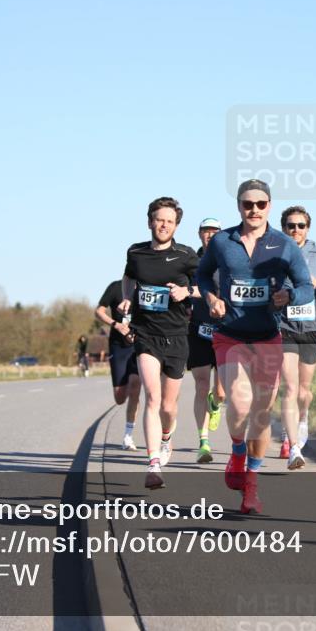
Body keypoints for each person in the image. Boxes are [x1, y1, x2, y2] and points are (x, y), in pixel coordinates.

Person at [196, 179, 313, 514]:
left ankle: (251, 486)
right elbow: (203, 275)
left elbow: (305, 285)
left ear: (269, 207)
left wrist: (289, 295)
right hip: (230, 333)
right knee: (240, 402)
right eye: (248, 204)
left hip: (267, 336)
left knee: (262, 410)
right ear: (239, 206)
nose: (254, 210)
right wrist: (211, 296)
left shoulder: (284, 244)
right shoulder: (221, 242)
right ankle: (236, 450)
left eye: (261, 204)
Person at [118, 197, 199, 489]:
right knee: (152, 397)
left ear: (176, 225)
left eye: (169, 221)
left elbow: (210, 289)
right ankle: (153, 463)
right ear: (150, 221)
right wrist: (127, 297)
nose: (163, 225)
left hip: (177, 335)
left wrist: (187, 291)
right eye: (159, 219)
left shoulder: (186, 255)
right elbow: (128, 278)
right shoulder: (136, 252)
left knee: (168, 405)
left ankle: (167, 438)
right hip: (146, 333)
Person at [275, 206, 316, 469]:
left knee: (303, 390)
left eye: (300, 225)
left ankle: (303, 419)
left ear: (307, 228)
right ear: (283, 228)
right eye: (290, 225)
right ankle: (294, 447)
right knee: (289, 387)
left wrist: (313, 282)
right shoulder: (275, 255)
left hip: (311, 327)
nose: (295, 230)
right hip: (285, 326)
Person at [187, 218, 227, 463]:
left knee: (220, 392)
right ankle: (203, 442)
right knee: (201, 385)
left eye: (214, 231)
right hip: (198, 331)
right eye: (205, 231)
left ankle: (216, 402)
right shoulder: (191, 261)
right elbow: (183, 289)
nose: (209, 234)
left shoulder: (228, 260)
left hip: (223, 331)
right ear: (199, 234)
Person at [95, 280, 142, 450]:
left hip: (139, 345)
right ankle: (127, 387)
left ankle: (128, 436)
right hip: (118, 346)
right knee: (120, 397)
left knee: (136, 385)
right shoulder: (115, 287)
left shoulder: (146, 288)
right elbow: (99, 311)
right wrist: (116, 325)